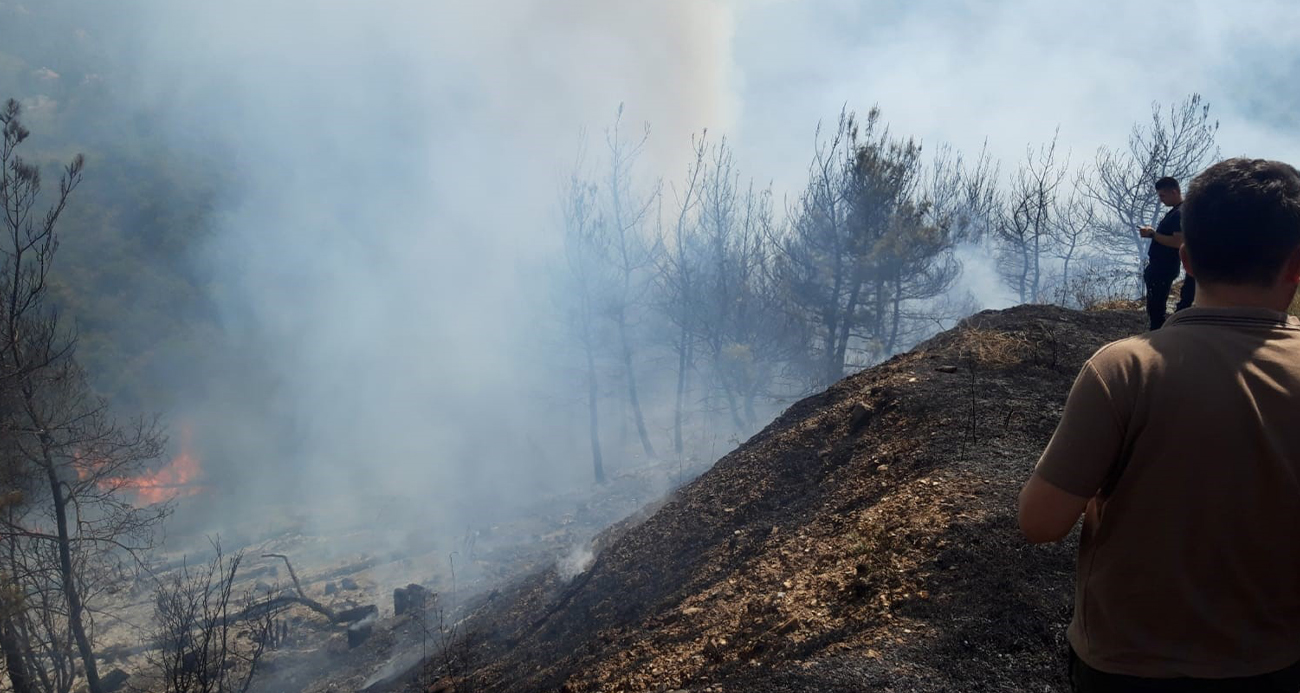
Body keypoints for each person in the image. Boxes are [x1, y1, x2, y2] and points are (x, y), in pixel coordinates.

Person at [1018, 158, 1300, 692]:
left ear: (1188, 261)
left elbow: (1040, 522)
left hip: (1127, 665)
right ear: (1297, 264)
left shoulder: (1123, 367)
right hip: (1273, 661)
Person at [1139, 177, 1195, 330]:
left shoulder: (1179, 213)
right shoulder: (1175, 212)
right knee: (1154, 305)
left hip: (1164, 268)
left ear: (1174, 191)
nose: (1161, 200)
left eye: (1163, 196)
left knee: (1157, 306)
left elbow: (1178, 242)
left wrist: (1153, 235)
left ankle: (1158, 334)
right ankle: (1157, 331)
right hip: (1160, 266)